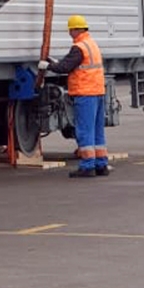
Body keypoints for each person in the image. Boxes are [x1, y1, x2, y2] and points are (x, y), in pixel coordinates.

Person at [39, 14, 109, 178]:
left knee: (84, 130)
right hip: (98, 92)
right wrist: (56, 62)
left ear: (75, 30)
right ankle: (101, 164)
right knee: (97, 131)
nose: (70, 33)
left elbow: (66, 67)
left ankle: (87, 166)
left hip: (85, 93)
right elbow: (75, 64)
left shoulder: (78, 47)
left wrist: (48, 66)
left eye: (70, 30)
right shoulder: (91, 44)